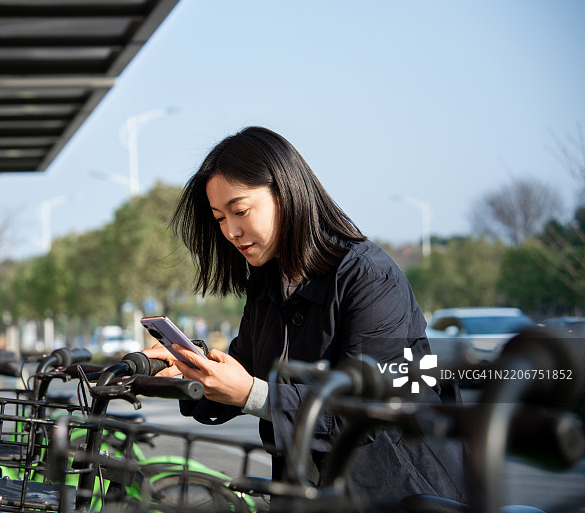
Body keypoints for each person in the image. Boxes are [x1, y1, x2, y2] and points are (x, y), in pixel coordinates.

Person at [143, 126, 465, 505]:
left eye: (240, 211)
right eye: (219, 219)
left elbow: (369, 410)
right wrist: (190, 369)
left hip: (404, 493)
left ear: (286, 193)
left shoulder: (369, 275)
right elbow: (242, 368)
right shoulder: (268, 283)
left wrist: (250, 393)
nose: (230, 231)